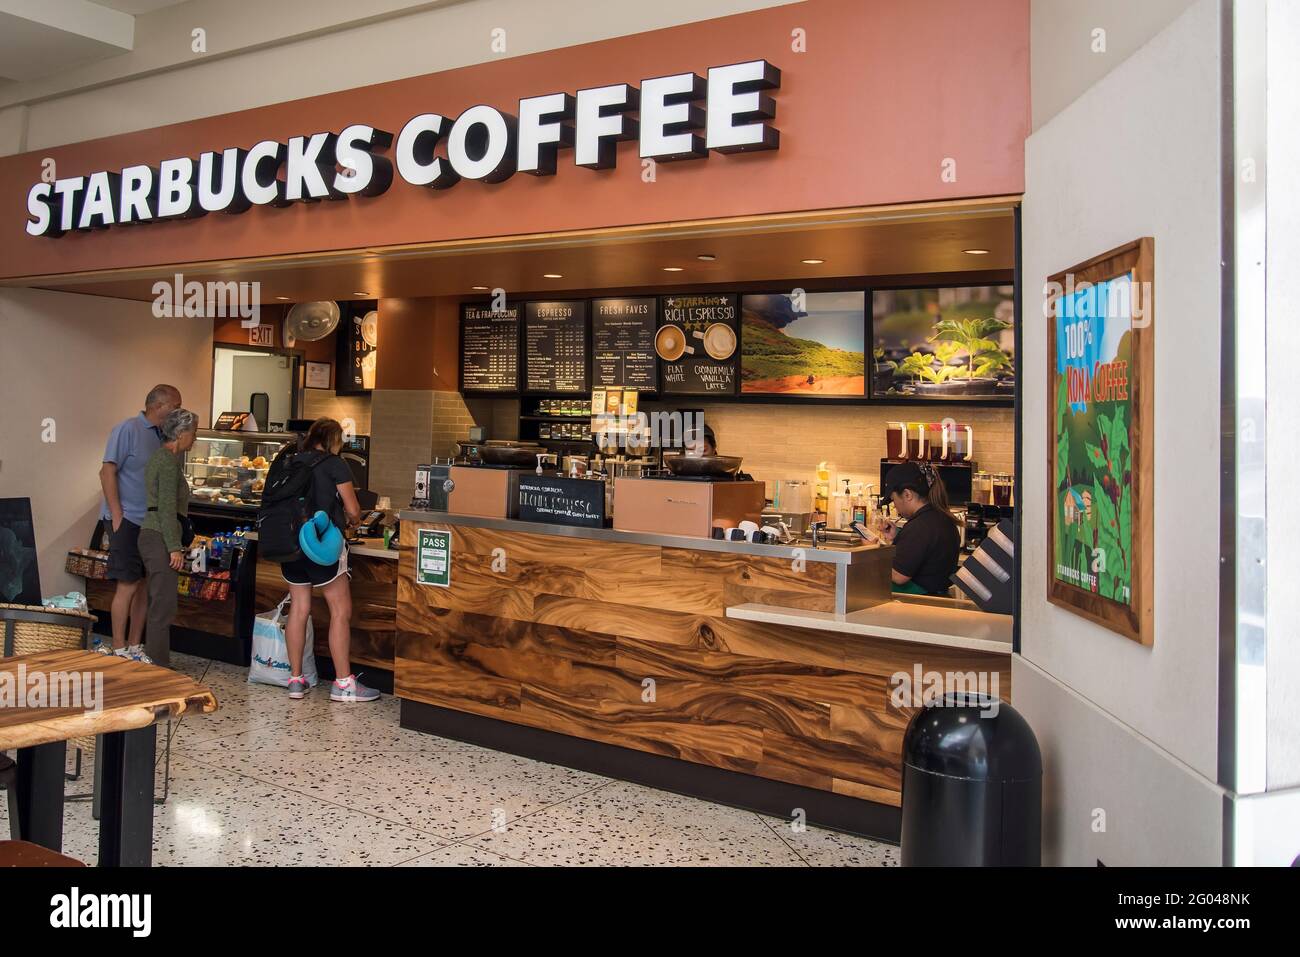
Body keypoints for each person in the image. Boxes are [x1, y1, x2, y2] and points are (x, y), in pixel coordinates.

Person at [276, 418, 379, 703]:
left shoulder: (291, 460)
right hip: (323, 546)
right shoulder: (334, 464)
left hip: (292, 544)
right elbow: (354, 509)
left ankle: (296, 680)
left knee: (298, 609)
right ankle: (344, 683)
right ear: (333, 439)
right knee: (339, 610)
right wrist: (353, 521)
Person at [98, 384, 182, 662]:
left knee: (145, 584)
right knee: (127, 584)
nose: (179, 411)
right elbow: (107, 471)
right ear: (159, 406)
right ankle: (119, 647)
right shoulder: (128, 429)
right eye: (176, 405)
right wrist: (117, 515)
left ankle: (135, 645)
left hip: (151, 523)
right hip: (127, 519)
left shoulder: (164, 437)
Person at [137, 408, 198, 668]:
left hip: (152, 534)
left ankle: (156, 660)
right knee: (163, 605)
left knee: (158, 603)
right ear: (181, 434)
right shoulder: (169, 462)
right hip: (159, 536)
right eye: (192, 434)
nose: (194, 440)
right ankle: (159, 666)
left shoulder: (159, 458)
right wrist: (174, 547)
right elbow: (166, 508)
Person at [878, 461, 962, 596]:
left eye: (893, 499)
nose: (895, 506)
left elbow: (899, 576)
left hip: (918, 604)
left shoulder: (920, 527)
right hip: (936, 600)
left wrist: (873, 551)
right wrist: (898, 537)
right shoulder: (941, 518)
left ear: (907, 495)